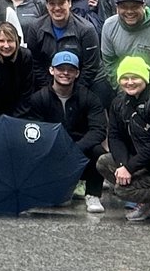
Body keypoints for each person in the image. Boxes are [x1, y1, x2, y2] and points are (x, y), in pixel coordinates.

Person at [102, 55, 150, 225]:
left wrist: (130, 168)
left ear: (145, 78)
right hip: (140, 160)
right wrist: (123, 165)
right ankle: (149, 202)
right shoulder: (118, 103)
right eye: (125, 78)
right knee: (103, 162)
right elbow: (115, 136)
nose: (129, 82)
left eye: (135, 77)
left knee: (122, 191)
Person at [23, 48, 106, 199]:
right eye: (61, 69)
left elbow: (99, 129)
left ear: (77, 73)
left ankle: (93, 196)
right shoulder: (39, 99)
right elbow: (33, 130)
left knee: (98, 152)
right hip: (51, 153)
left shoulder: (89, 98)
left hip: (81, 151)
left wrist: (76, 148)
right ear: (51, 70)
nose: (65, 73)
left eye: (71, 70)